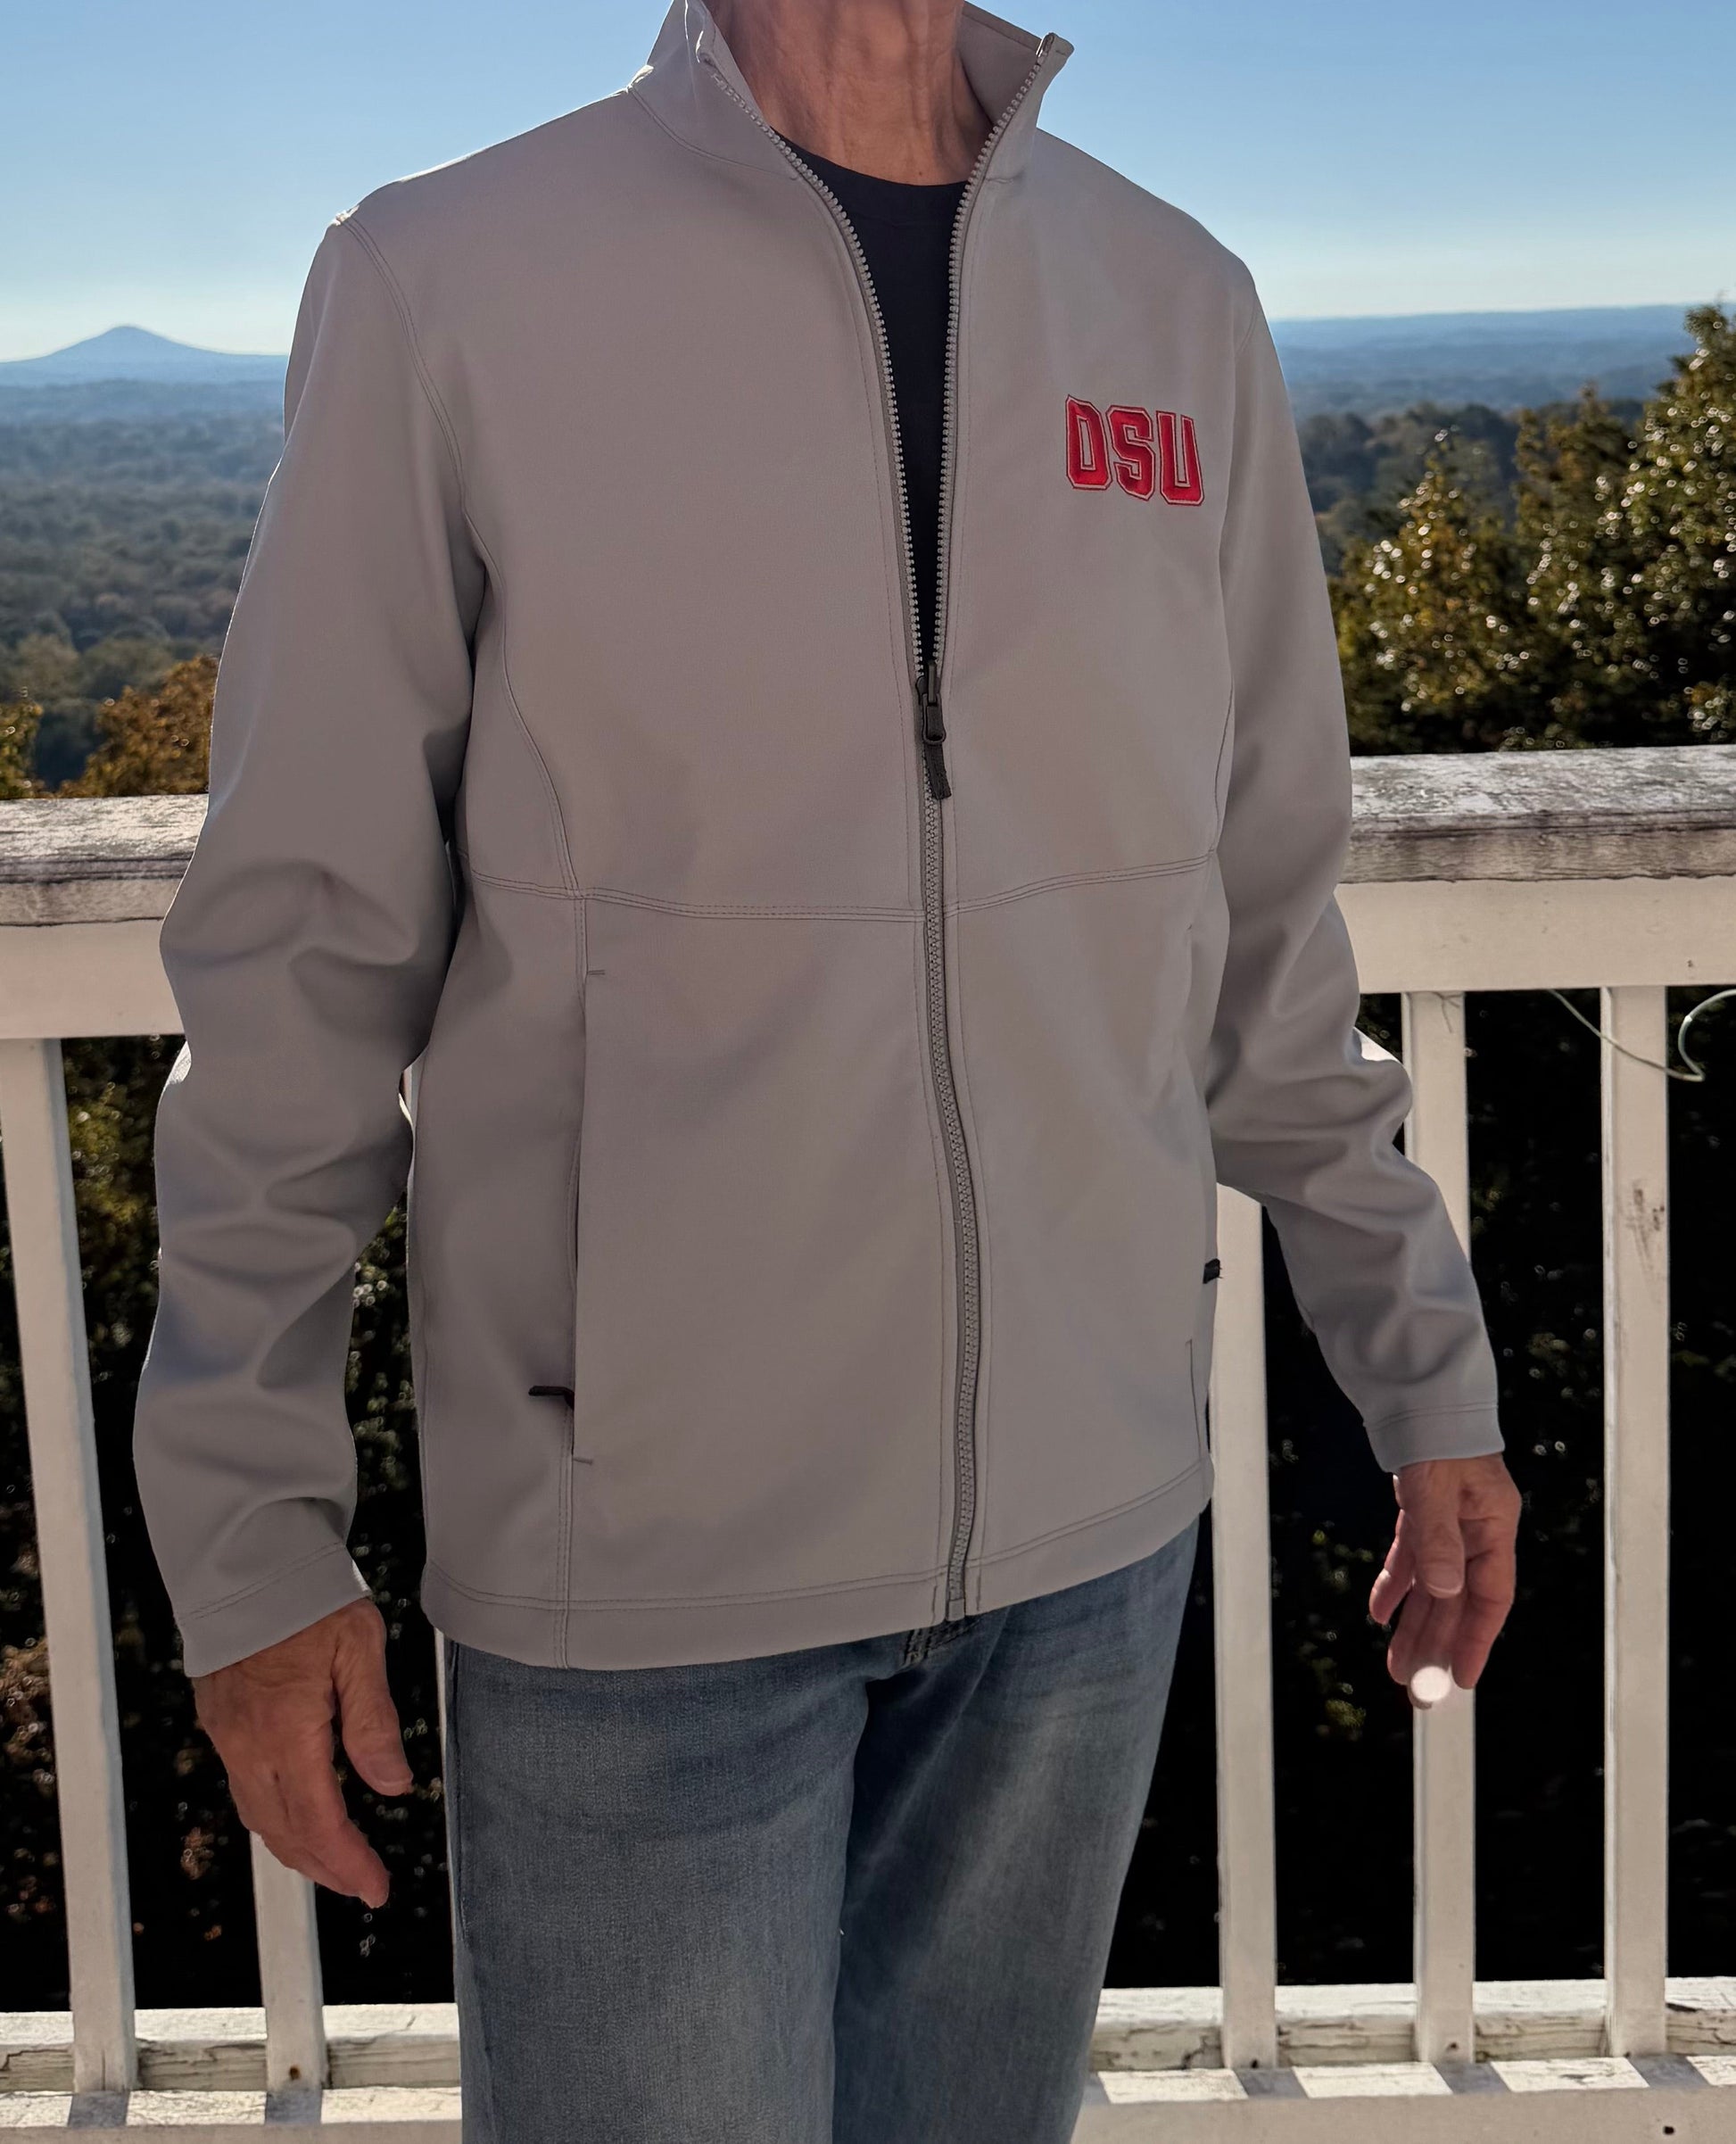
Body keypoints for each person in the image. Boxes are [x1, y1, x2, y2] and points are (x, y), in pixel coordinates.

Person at [133, 1, 1522, 2137]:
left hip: (1083, 1542)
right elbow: (303, 951)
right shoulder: (448, 275)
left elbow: (1252, 928)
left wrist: (1422, 1368)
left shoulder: (1174, 300)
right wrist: (249, 1530)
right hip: (639, 1569)